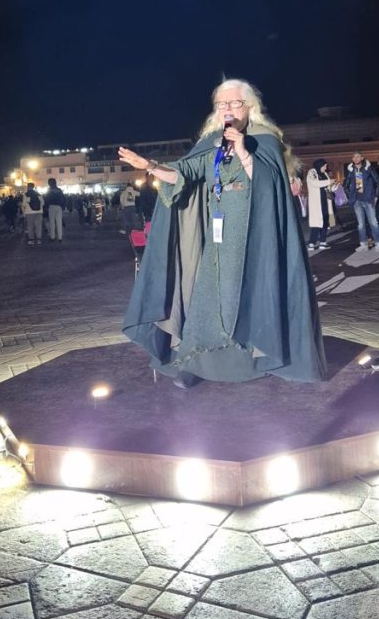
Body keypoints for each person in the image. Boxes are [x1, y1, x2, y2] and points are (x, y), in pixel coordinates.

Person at [119, 78, 326, 387]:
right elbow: (182, 174)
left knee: (242, 295)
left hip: (251, 236)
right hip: (214, 237)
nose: (228, 109)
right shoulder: (211, 143)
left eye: (235, 103)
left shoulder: (264, 139)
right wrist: (149, 166)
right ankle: (195, 362)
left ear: (250, 107)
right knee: (206, 295)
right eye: (222, 104)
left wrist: (244, 152)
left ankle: (249, 363)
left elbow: (270, 185)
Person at [344, 151, 379, 251]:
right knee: (360, 224)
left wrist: (376, 196)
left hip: (368, 199)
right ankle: (363, 244)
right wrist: (350, 196)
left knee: (373, 222)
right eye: (354, 157)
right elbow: (346, 184)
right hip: (357, 200)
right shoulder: (350, 170)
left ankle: (378, 244)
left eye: (358, 157)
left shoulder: (368, 168)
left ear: (362, 158)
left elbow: (377, 181)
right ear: (352, 159)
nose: (356, 159)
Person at [307, 159, 336, 251]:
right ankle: (312, 243)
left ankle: (323, 242)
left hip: (325, 201)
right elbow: (314, 183)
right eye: (324, 166)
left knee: (325, 221)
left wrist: (334, 186)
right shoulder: (312, 172)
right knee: (316, 223)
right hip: (316, 202)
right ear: (320, 165)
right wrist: (329, 182)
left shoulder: (325, 174)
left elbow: (328, 187)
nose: (325, 168)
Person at [46, 177, 65, 242]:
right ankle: (60, 237)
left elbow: (47, 199)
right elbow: (63, 199)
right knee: (59, 222)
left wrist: (46, 207)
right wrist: (62, 207)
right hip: (59, 207)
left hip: (52, 206)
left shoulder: (49, 190)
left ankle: (52, 237)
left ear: (50, 183)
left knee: (52, 222)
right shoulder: (59, 190)